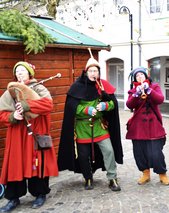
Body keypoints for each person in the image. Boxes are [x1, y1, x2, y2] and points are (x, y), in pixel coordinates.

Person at [58, 55, 123, 192]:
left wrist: (105, 106)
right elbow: (72, 107)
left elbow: (113, 104)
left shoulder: (103, 85)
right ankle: (88, 177)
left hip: (99, 126)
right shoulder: (77, 86)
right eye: (91, 71)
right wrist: (87, 109)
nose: (94, 74)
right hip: (82, 127)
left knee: (109, 151)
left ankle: (112, 178)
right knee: (83, 155)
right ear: (86, 72)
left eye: (96, 71)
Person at [0, 61, 58, 212]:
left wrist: (28, 106)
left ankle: (40, 194)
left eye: (22, 71)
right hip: (17, 136)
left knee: (36, 163)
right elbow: (2, 114)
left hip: (35, 133)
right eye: (17, 71)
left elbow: (48, 105)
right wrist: (13, 115)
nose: (19, 73)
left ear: (29, 73)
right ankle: (13, 198)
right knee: (16, 165)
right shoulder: (10, 91)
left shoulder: (39, 88)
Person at [126, 66, 169, 186]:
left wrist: (149, 91)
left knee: (156, 152)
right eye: (137, 76)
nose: (140, 77)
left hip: (153, 125)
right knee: (139, 152)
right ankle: (145, 173)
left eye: (142, 75)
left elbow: (160, 99)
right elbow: (129, 105)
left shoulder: (154, 87)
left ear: (146, 76)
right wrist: (136, 93)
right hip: (138, 127)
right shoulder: (132, 90)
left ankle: (162, 173)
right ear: (135, 79)